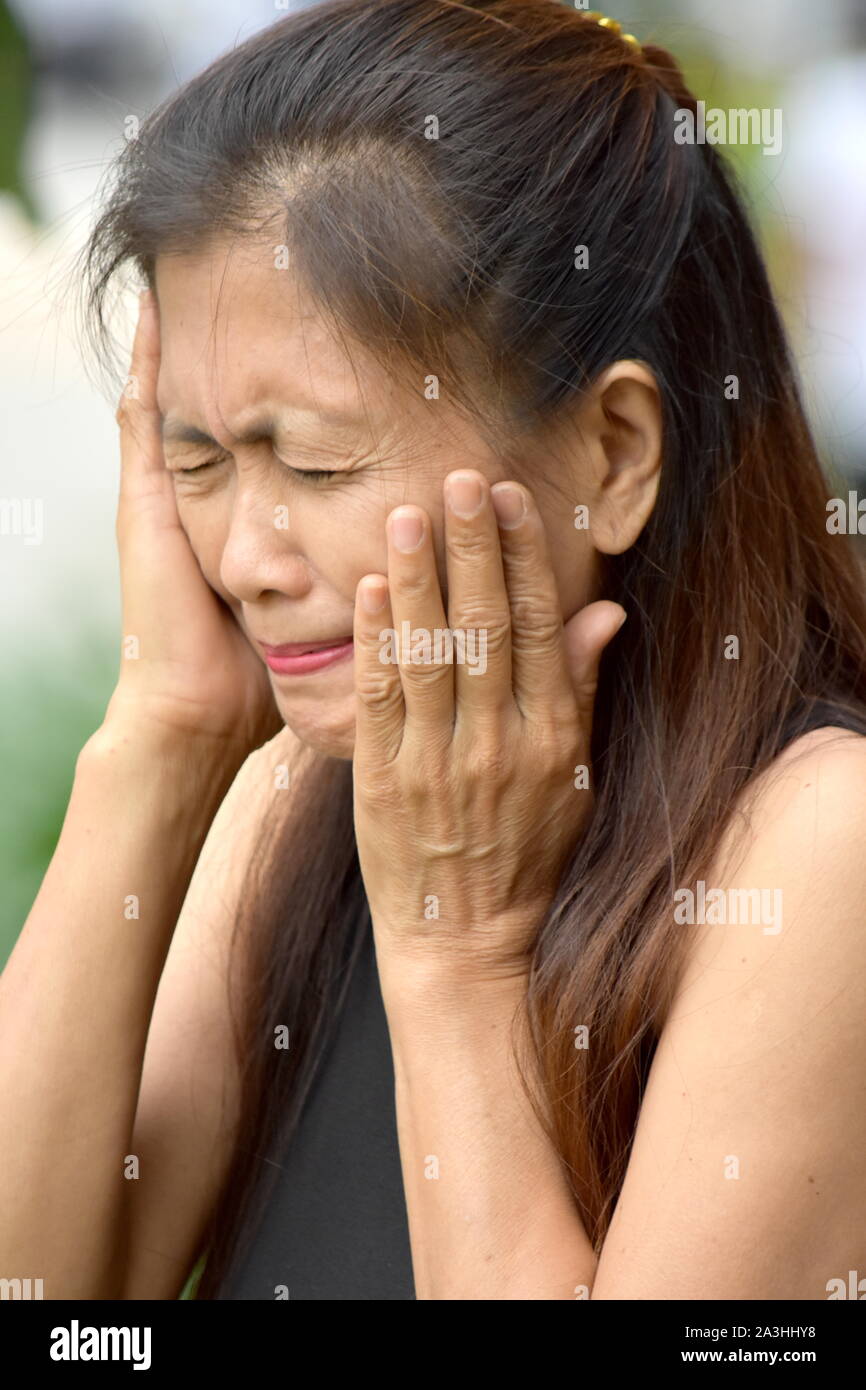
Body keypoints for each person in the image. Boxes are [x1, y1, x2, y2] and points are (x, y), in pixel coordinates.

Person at [3, 0, 866, 1302]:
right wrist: (163, 737)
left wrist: (457, 957)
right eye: (197, 463)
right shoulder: (298, 792)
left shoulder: (814, 845)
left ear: (613, 452)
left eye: (316, 462)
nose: (245, 558)